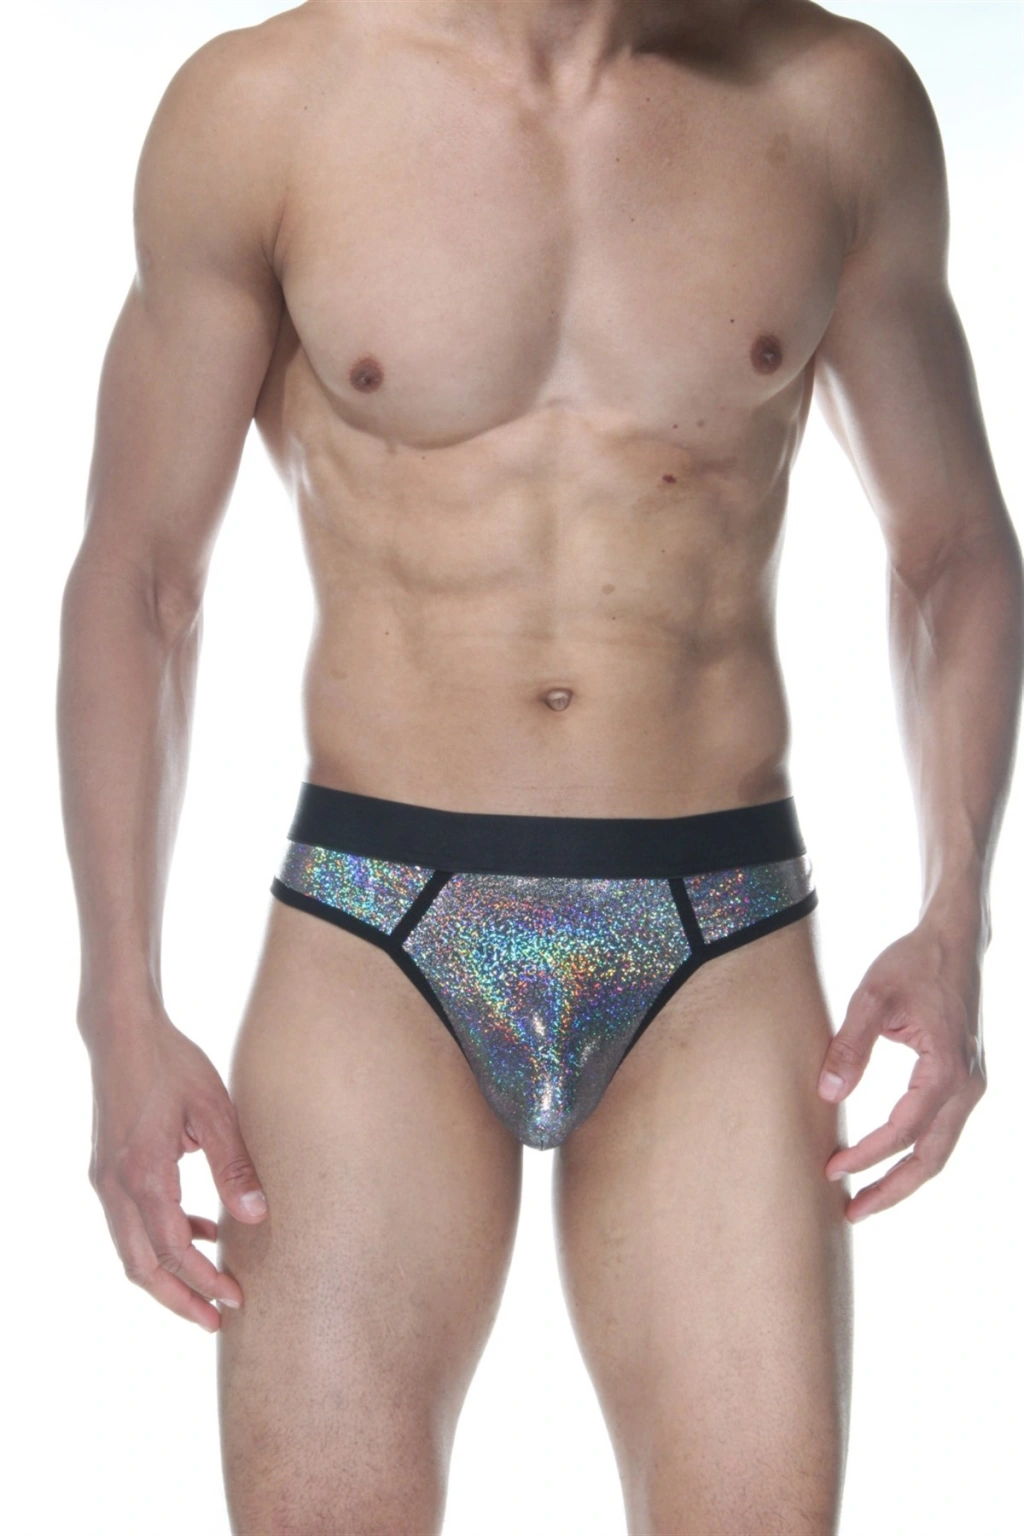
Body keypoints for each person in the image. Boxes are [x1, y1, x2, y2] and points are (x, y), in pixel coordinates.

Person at [56, 1, 1021, 1532]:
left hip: (718, 939)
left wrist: (958, 911)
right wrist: (117, 1005)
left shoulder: (833, 101)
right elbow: (140, 578)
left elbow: (955, 544)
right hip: (375, 929)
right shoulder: (267, 107)